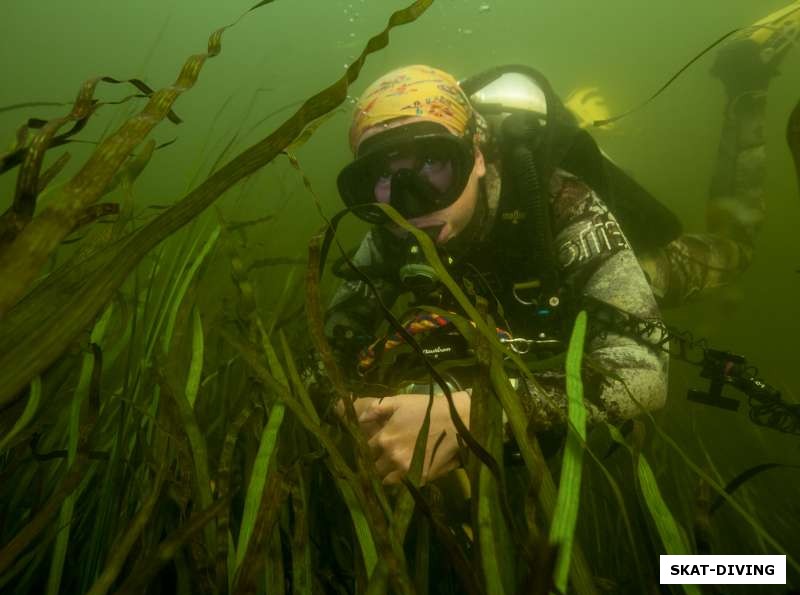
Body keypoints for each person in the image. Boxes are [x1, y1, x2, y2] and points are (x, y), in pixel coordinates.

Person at [322, 5, 799, 486]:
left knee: (732, 249)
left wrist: (479, 411)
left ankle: (746, 79)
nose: (410, 203)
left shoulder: (561, 202)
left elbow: (643, 373)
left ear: (480, 155)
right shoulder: (389, 229)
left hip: (597, 266)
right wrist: (345, 402)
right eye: (385, 175)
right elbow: (331, 342)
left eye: (433, 163)